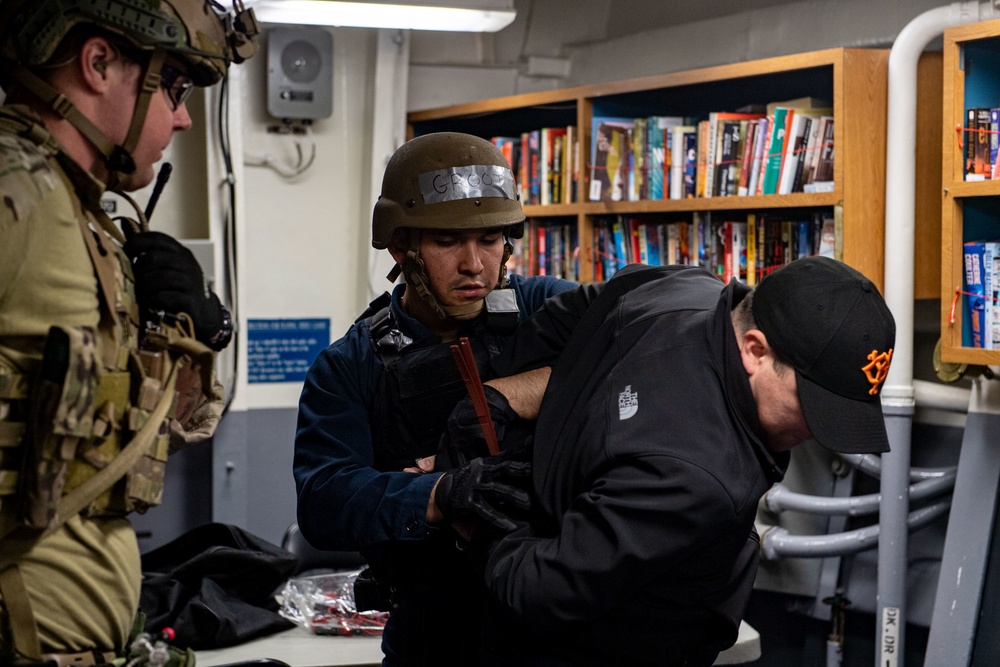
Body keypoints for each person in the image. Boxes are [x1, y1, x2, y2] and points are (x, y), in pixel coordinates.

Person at [442, 257, 896, 667]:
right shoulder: (698, 476)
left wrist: (510, 416)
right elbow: (534, 593)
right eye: (815, 407)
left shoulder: (681, 285)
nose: (819, 432)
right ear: (756, 351)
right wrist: (474, 521)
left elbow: (565, 321)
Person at [0, 0, 257, 663]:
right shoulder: (15, 193)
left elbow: (115, 432)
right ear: (98, 63)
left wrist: (189, 344)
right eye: (173, 85)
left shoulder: (89, 221)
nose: (183, 115)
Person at [293, 131, 576, 666]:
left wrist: (506, 397)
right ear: (402, 246)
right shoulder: (351, 365)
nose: (475, 264)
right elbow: (324, 502)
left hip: (558, 629)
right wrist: (441, 494)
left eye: (491, 239)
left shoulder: (549, 310)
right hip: (434, 636)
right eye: (448, 242)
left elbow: (662, 326)